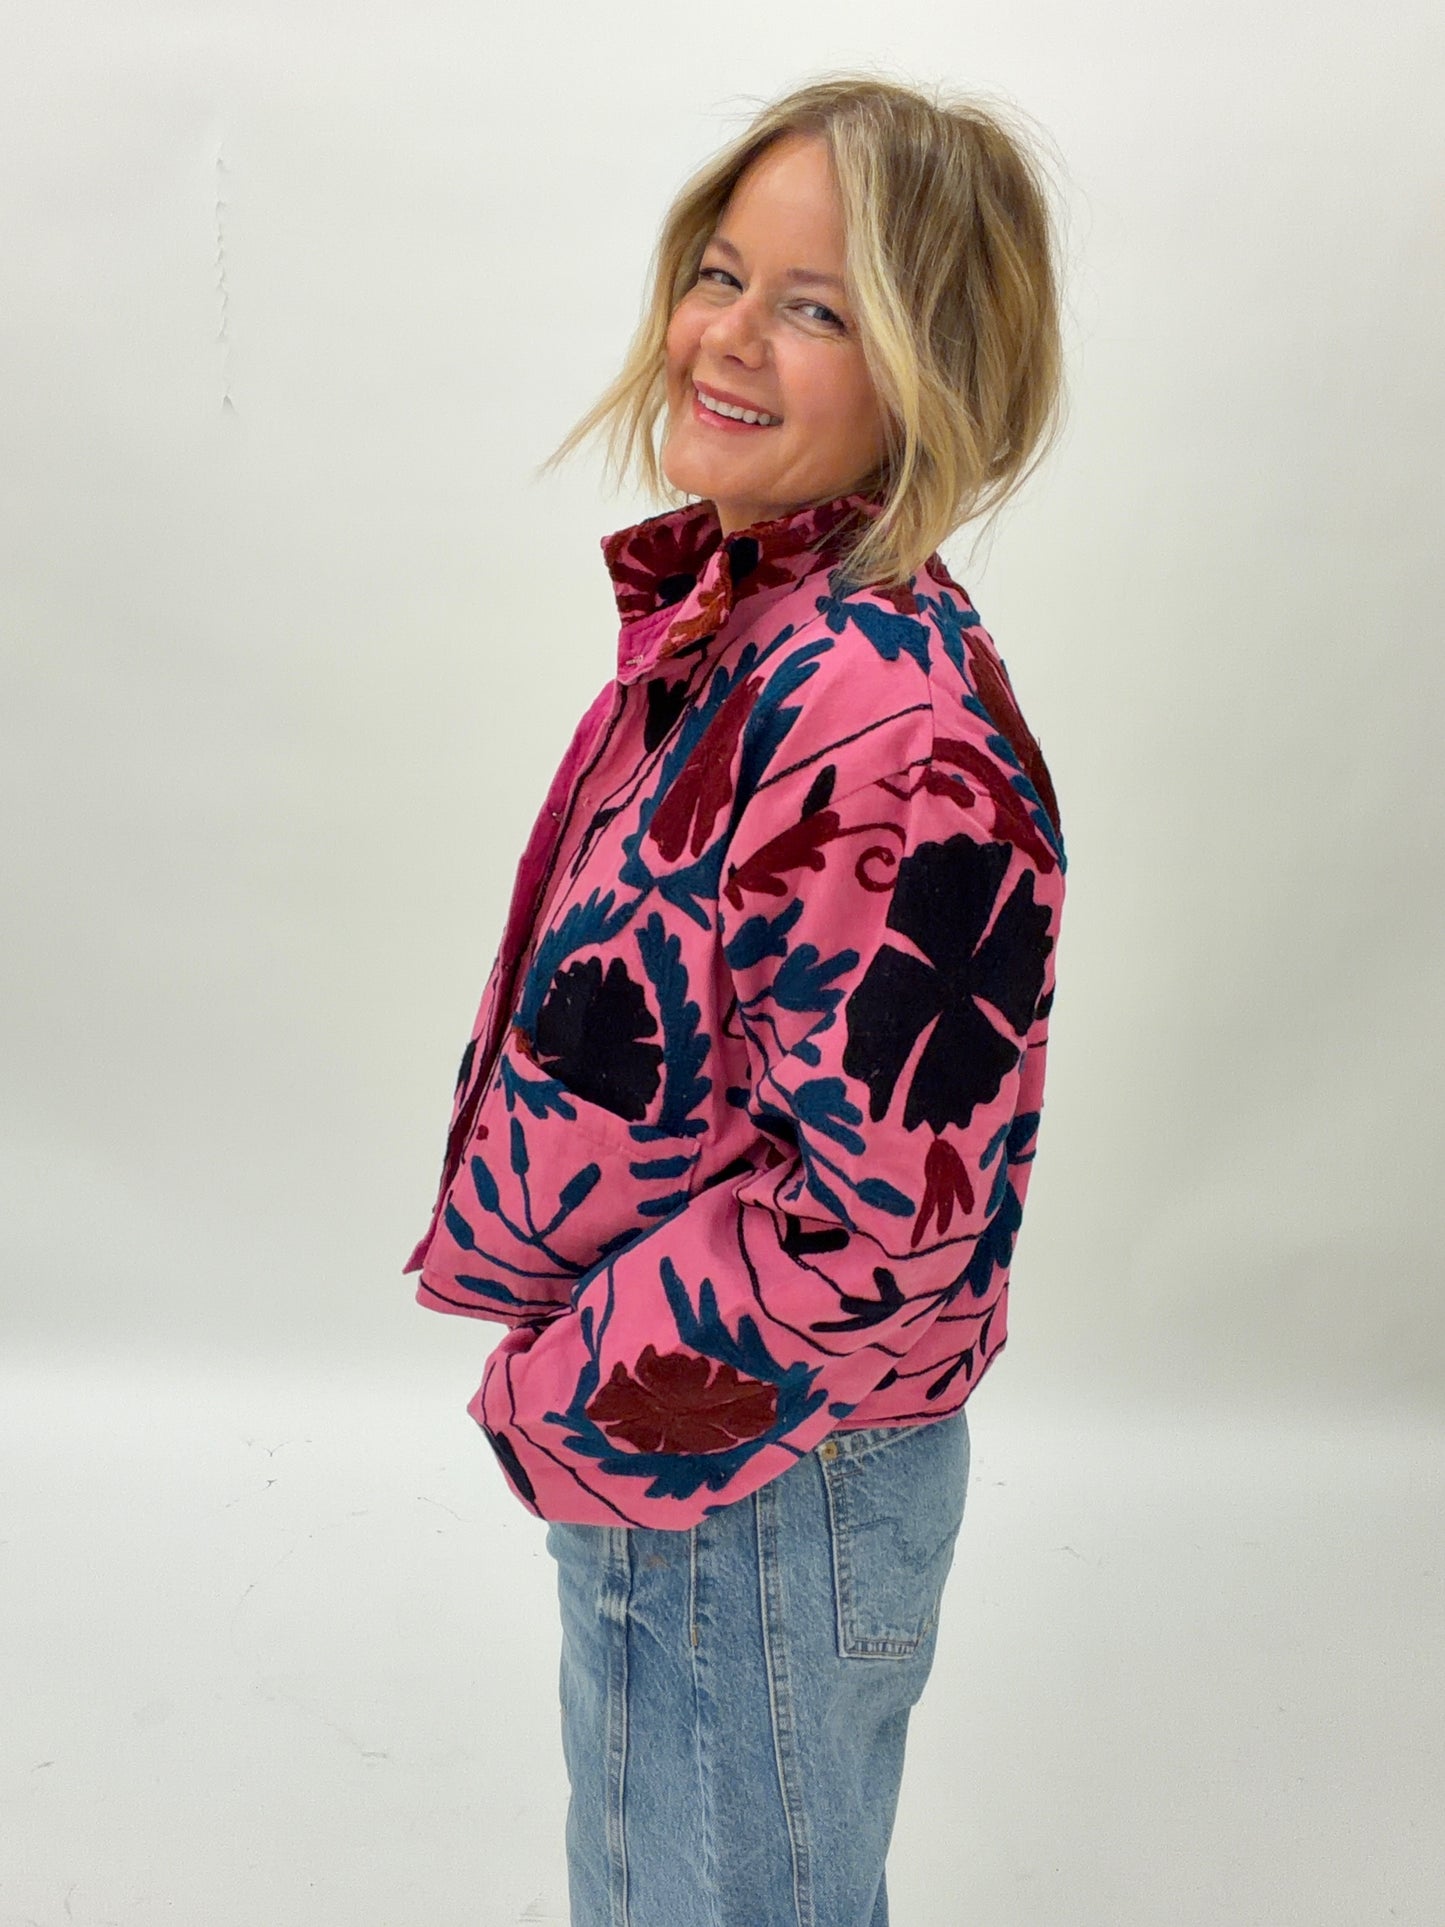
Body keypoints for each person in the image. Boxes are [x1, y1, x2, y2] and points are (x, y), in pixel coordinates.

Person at [403, 69, 1069, 1927]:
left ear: (937, 366)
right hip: (701, 1437)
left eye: (818, 305)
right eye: (720, 272)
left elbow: (887, 1236)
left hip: (754, 1465)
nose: (729, 336)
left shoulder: (882, 722)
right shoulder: (749, 637)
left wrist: (583, 1395)